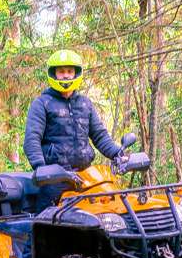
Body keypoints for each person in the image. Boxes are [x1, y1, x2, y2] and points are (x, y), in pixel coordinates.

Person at [23, 49, 124, 210]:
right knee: (48, 226)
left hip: (86, 177)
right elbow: (31, 139)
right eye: (61, 71)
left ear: (76, 73)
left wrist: (118, 153)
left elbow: (99, 135)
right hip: (55, 180)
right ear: (54, 74)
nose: (66, 76)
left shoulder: (85, 103)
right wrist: (42, 169)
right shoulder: (42, 103)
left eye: (70, 71)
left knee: (111, 212)